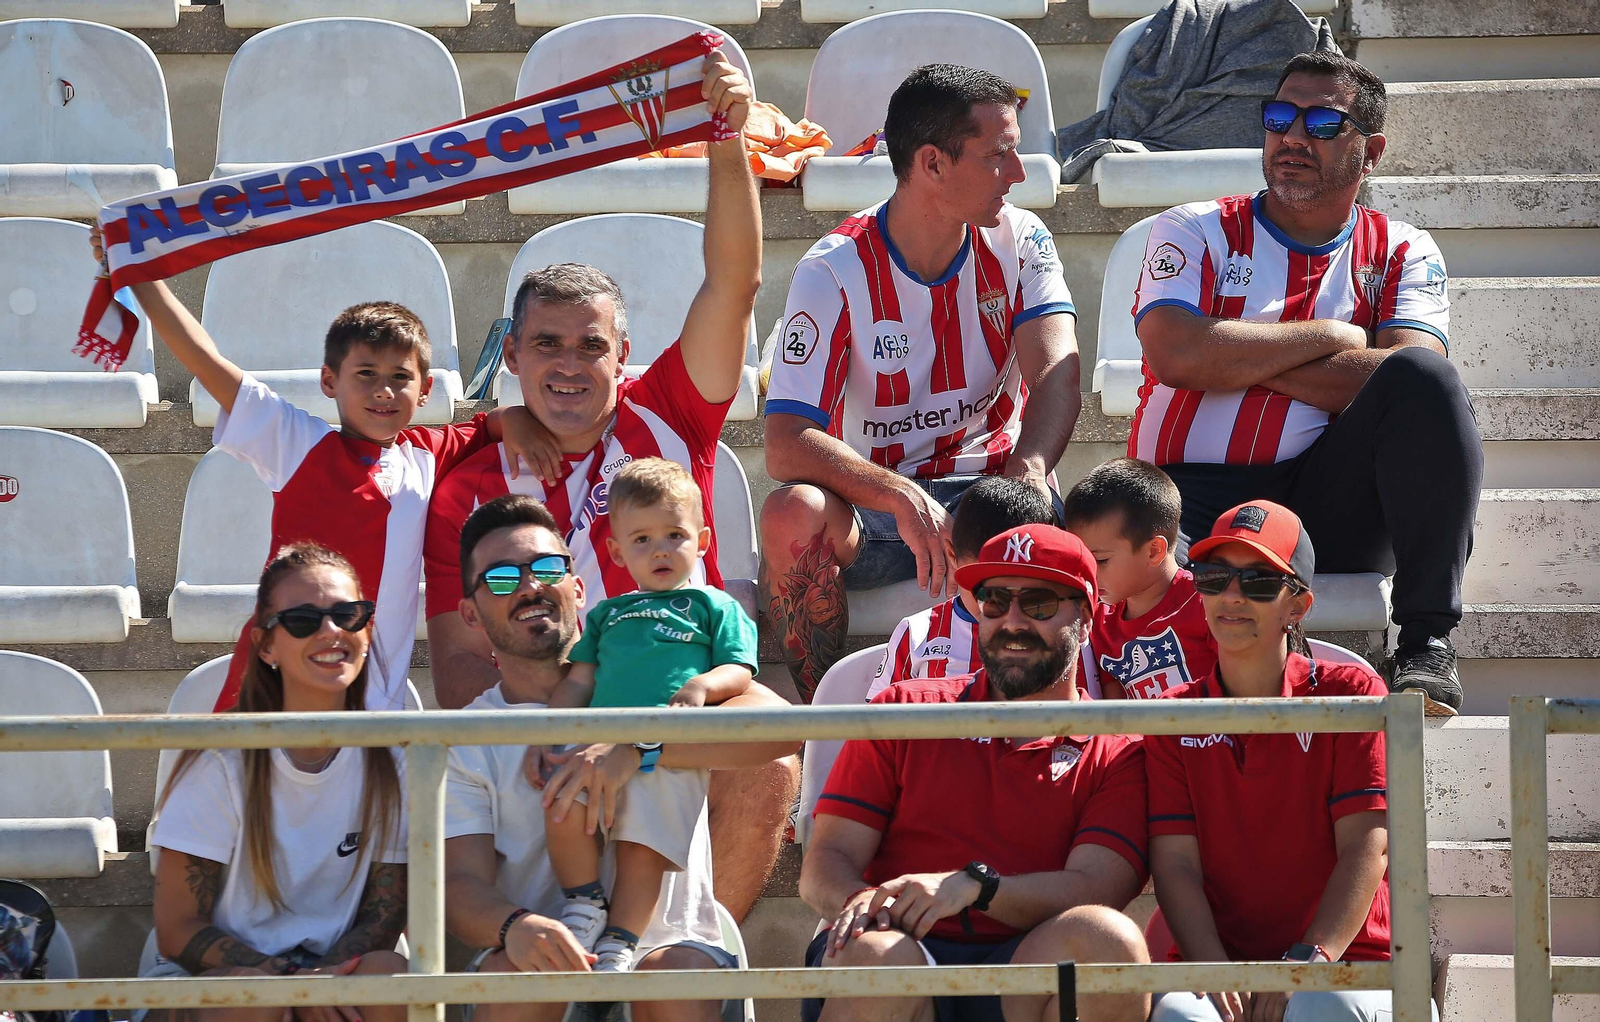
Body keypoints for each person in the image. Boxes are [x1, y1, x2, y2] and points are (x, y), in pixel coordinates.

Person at [421, 52, 792, 924]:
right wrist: (568, 731)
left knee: (771, 757)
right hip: (543, 723)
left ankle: (695, 952)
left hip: (670, 712)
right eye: (546, 345)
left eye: (592, 346)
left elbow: (734, 284)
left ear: (624, 356)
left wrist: (728, 142)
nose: (569, 365)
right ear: (513, 356)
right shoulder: (467, 484)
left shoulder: (670, 412)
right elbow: (459, 664)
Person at [1130, 51, 1482, 714]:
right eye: (1279, 117)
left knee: (1429, 381)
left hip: (1325, 502)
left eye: (1322, 124)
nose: (1292, 137)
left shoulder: (1403, 248)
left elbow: (1405, 377)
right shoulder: (1193, 227)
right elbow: (1175, 355)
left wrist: (1231, 356)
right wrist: (1334, 337)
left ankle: (1426, 642)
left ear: (1370, 151)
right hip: (1185, 494)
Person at [92, 229, 552, 712]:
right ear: (329, 380)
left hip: (375, 710)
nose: (383, 390)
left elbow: (491, 425)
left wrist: (515, 418)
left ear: (424, 391)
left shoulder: (427, 453)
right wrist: (142, 277)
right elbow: (206, 363)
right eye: (365, 374)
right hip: (279, 701)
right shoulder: (297, 443)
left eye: (400, 377)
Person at [760, 63, 1083, 703]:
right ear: (932, 163)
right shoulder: (834, 268)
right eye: (998, 155)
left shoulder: (1022, 237)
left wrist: (1025, 474)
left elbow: (1058, 375)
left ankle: (1043, 727)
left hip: (994, 489)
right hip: (875, 506)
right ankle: (824, 722)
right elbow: (785, 442)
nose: (1018, 174)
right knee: (790, 514)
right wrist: (900, 495)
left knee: (1112, 518)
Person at [441, 494, 798, 1022]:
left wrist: (638, 749)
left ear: (578, 588)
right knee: (517, 982)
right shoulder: (464, 739)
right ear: (470, 613)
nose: (530, 586)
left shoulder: (661, 681)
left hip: (669, 949)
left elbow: (783, 730)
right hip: (546, 953)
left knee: (673, 978)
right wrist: (517, 927)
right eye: (500, 578)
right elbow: (459, 886)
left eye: (546, 568)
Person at [800, 524, 1150, 1022]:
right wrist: (863, 901)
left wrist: (975, 888)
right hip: (895, 941)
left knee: (1108, 942)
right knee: (881, 959)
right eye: (994, 601)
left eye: (1038, 604)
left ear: (1087, 618)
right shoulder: (904, 709)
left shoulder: (1120, 748)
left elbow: (1098, 888)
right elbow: (825, 863)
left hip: (1023, 963)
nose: (1012, 622)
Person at [1145, 501, 1427, 1022]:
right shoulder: (1171, 713)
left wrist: (1307, 961)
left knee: (1321, 1008)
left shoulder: (1352, 693)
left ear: (1297, 607)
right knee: (1183, 1017)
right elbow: (1175, 863)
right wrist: (1214, 968)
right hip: (1220, 963)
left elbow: (1367, 846)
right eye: (1214, 577)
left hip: (1347, 960)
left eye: (1257, 581)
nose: (1231, 595)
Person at [142, 543, 408, 1022]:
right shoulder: (220, 761)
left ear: (367, 631)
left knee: (389, 978)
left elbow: (384, 917)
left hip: (330, 969)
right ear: (265, 645)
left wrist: (318, 982)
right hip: (218, 980)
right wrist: (290, 984)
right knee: (254, 1002)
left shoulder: (396, 761)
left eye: (347, 615)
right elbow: (177, 930)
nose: (331, 632)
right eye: (303, 620)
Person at [535, 459, 758, 971]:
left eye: (674, 535)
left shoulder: (715, 606)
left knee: (644, 849)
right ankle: (584, 902)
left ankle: (621, 940)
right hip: (595, 747)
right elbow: (579, 681)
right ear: (617, 552)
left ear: (702, 541)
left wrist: (701, 685)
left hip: (667, 754)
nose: (660, 549)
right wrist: (544, 736)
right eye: (641, 540)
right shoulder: (606, 614)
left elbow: (739, 670)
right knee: (562, 806)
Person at [869, 475, 1057, 698]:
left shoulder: (1071, 632)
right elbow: (881, 715)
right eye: (982, 586)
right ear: (953, 557)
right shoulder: (916, 633)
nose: (999, 604)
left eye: (1020, 585)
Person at [1062, 458, 1217, 700]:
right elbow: (1115, 714)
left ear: (1154, 551)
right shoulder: (1099, 621)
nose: (1087, 572)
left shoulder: (1207, 604)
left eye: (1100, 560)